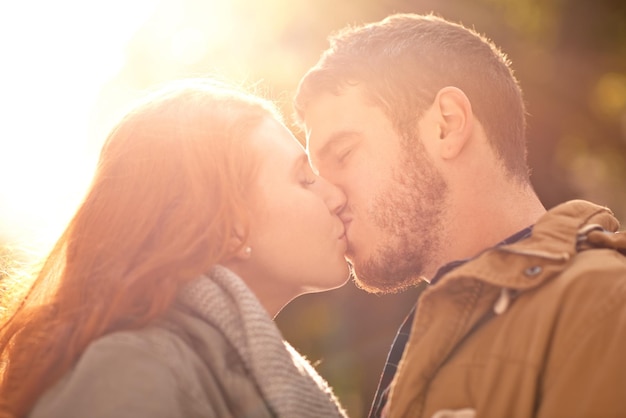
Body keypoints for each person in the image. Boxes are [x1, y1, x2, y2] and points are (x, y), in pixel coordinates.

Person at [294, 12, 626, 418]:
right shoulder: (431, 338)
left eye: (343, 154)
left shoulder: (604, 304)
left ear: (447, 125)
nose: (329, 195)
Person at [0, 79, 350, 418]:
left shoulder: (252, 368)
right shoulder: (131, 372)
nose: (336, 197)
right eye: (305, 180)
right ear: (232, 229)